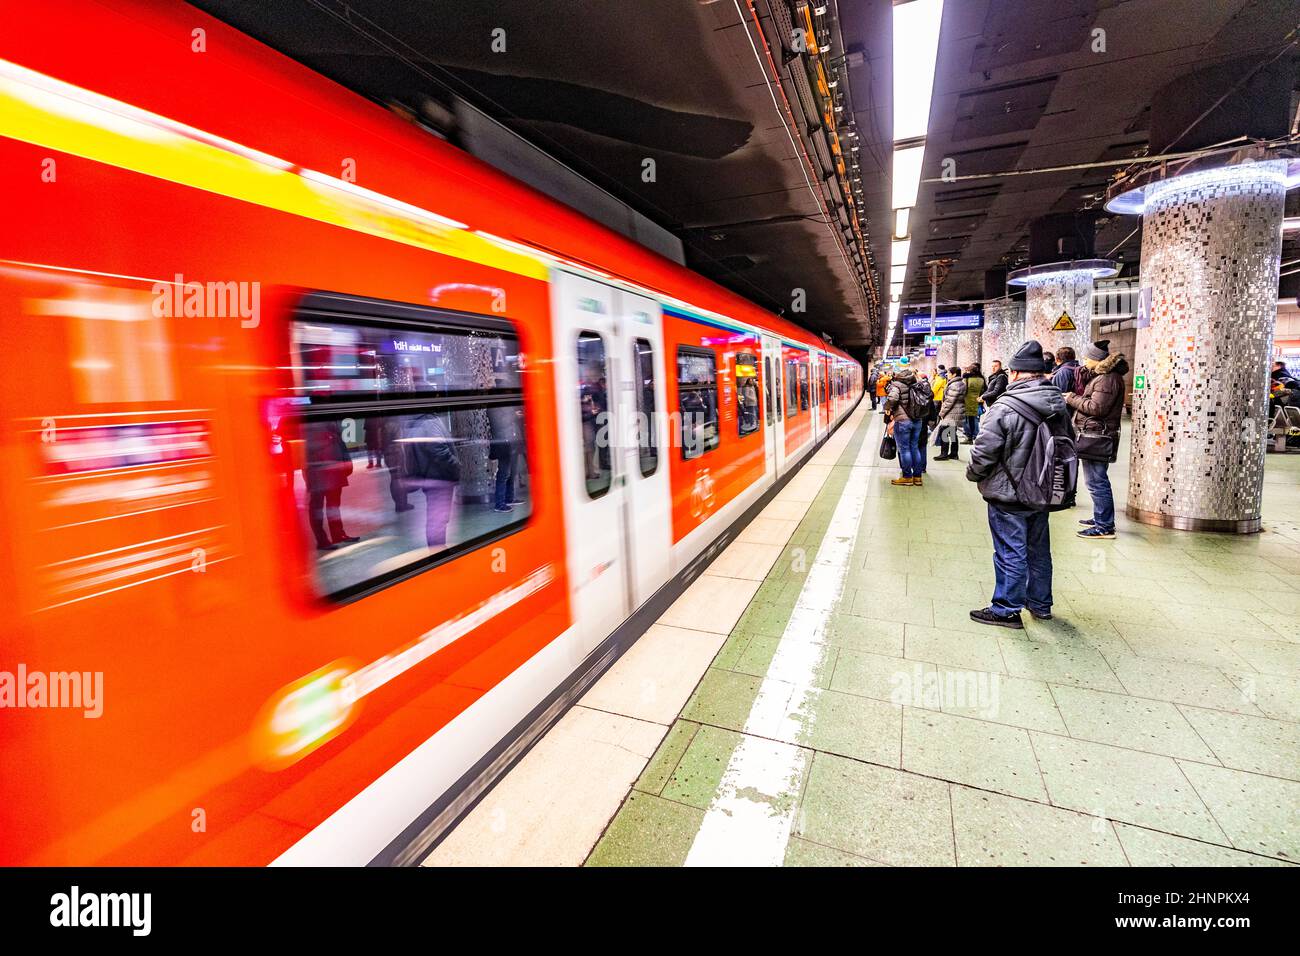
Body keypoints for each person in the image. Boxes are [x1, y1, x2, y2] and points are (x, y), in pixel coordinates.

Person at [965, 340, 1072, 627]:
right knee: (1038, 550)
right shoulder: (1058, 404)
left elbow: (984, 451)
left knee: (1010, 551)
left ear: (1014, 374)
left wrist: (973, 474)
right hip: (1043, 491)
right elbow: (1068, 444)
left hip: (1008, 493)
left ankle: (1006, 609)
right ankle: (1040, 603)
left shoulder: (1004, 407)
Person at [1065, 340, 1128, 540]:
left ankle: (1104, 526)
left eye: (1086, 358)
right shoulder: (1104, 377)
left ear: (1097, 359)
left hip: (1097, 436)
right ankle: (1101, 517)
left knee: (1097, 481)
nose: (1083, 361)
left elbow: (1097, 408)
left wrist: (1071, 398)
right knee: (1096, 479)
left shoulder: (1107, 379)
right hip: (1097, 435)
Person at [884, 365, 932, 486]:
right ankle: (917, 477)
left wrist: (887, 407)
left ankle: (907, 477)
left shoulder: (896, 385)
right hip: (917, 420)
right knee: (914, 447)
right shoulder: (917, 383)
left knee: (904, 449)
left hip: (903, 421)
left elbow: (893, 399)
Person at [935, 365, 966, 461]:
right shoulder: (958, 383)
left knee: (945, 432)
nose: (947, 374)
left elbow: (949, 401)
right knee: (952, 433)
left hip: (952, 412)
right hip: (956, 411)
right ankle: (953, 453)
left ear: (954, 374)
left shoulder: (955, 385)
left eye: (948, 373)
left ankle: (944, 453)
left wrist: (942, 413)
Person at [962, 364, 985, 442]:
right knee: (974, 419)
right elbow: (983, 390)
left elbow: (963, 390)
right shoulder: (981, 379)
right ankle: (975, 435)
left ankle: (968, 436)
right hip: (976, 401)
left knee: (965, 420)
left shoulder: (967, 379)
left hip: (967, 401)